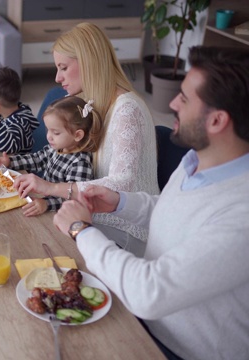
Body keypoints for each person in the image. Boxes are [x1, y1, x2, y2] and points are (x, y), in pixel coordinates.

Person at [53, 46, 249, 360]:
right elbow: (176, 215)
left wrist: (81, 231)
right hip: (142, 322)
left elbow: (149, 292)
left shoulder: (241, 215)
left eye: (184, 98)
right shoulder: (198, 160)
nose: (171, 102)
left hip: (176, 349)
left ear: (217, 121)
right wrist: (119, 202)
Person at [14, 22, 159, 256]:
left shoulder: (127, 109)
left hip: (128, 230)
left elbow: (123, 185)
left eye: (63, 67)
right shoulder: (92, 101)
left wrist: (51, 187)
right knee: (23, 221)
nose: (57, 77)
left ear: (88, 62)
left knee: (32, 239)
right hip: (96, 213)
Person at [0, 96, 100, 215]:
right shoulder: (58, 146)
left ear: (78, 135)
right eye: (47, 130)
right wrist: (10, 162)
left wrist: (47, 204)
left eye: (56, 132)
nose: (49, 136)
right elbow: (37, 159)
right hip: (41, 198)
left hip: (58, 214)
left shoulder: (80, 163)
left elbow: (75, 198)